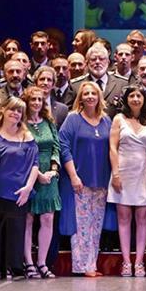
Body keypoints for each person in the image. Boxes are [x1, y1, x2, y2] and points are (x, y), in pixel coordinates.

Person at [59, 81, 113, 277]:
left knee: (96, 225)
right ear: (80, 98)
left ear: (99, 97)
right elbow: (63, 146)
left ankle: (92, 264)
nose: (90, 96)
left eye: (93, 93)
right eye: (86, 93)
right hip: (80, 181)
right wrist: (73, 176)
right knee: (81, 226)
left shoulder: (106, 120)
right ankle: (81, 266)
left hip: (101, 181)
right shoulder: (73, 119)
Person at [0, 97, 39, 281]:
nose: (15, 114)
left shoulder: (27, 136)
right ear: (3, 110)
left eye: (19, 111)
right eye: (12, 109)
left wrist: (28, 187)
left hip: (19, 192)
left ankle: (12, 267)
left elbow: (35, 164)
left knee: (16, 231)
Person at [109, 86, 146, 277]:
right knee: (124, 218)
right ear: (126, 99)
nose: (135, 99)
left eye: (139, 96)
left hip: (144, 172)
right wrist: (116, 173)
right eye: (132, 96)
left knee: (143, 219)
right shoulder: (118, 119)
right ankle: (127, 261)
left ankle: (139, 262)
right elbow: (112, 147)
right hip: (123, 171)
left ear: (144, 99)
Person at [21, 86, 60, 279]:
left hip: (49, 176)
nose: (36, 103)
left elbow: (56, 147)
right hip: (29, 173)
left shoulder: (48, 122)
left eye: (39, 99)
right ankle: (28, 262)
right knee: (27, 219)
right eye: (33, 99)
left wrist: (53, 168)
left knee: (47, 218)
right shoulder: (21, 124)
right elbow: (22, 151)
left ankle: (42, 262)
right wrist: (37, 175)